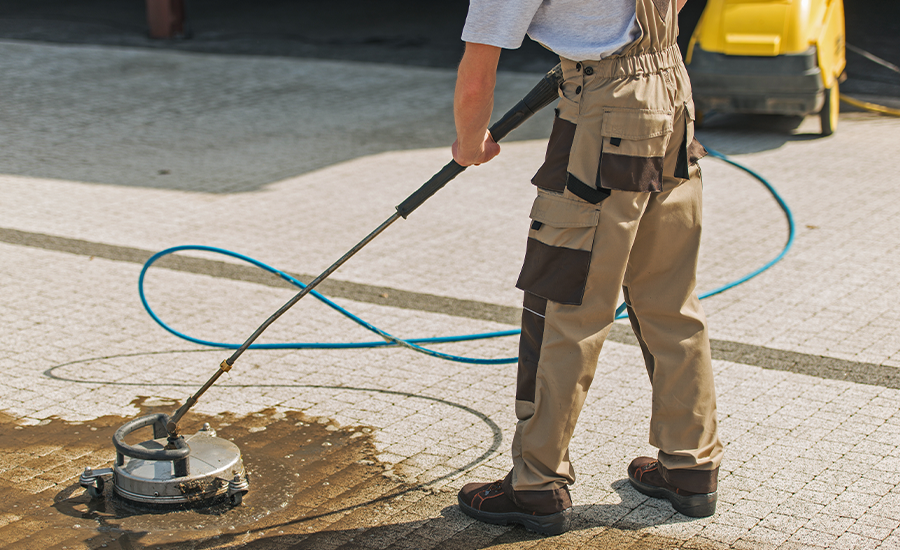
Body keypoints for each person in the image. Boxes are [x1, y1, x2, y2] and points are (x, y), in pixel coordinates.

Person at [452, 0, 725, 536]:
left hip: (601, 113)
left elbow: (477, 75)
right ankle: (690, 468)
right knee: (670, 300)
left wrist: (469, 143)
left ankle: (535, 485)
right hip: (671, 87)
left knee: (568, 303)